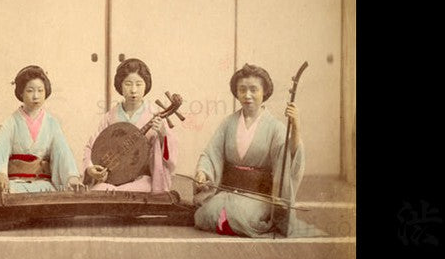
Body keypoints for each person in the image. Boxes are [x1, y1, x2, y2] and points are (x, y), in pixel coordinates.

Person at [192, 63, 321, 237]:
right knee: (204, 216)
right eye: (242, 89)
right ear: (236, 92)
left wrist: (296, 126)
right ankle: (227, 219)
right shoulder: (228, 123)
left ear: (264, 92)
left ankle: (250, 218)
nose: (248, 95)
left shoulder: (275, 127)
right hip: (229, 192)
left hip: (258, 196)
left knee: (240, 217)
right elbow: (210, 153)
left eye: (254, 89)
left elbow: (289, 157)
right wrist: (203, 173)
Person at [0, 65, 82, 220]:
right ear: (21, 93)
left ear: (46, 92)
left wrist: (71, 177)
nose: (36, 96)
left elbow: (62, 151)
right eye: (30, 91)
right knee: (6, 197)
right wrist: (1, 172)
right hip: (16, 183)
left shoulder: (52, 123)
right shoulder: (11, 122)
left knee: (54, 198)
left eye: (40, 90)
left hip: (43, 183)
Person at [82, 58, 177, 192]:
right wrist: (91, 168)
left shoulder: (154, 115)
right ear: (120, 85)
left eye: (139, 84)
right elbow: (91, 146)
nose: (133, 90)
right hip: (113, 179)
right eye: (128, 84)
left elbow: (169, 157)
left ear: (146, 85)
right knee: (99, 190)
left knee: (130, 191)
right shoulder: (111, 116)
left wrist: (162, 134)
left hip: (142, 180)